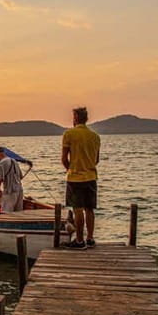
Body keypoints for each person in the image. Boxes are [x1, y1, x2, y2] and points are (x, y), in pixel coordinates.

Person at [61, 107, 101, 250]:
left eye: (73, 117)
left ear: (76, 118)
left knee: (77, 208)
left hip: (75, 177)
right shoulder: (95, 136)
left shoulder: (69, 134)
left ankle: (79, 241)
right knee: (89, 209)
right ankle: (90, 239)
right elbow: (96, 159)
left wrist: (71, 169)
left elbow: (64, 159)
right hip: (91, 176)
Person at [0, 147, 24, 212]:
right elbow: (20, 176)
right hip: (19, 190)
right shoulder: (14, 161)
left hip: (9, 191)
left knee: (7, 212)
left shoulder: (1, 164)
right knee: (19, 212)